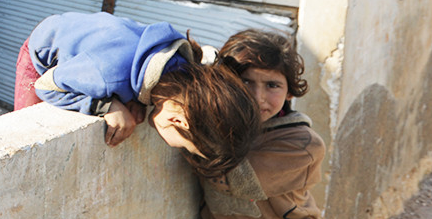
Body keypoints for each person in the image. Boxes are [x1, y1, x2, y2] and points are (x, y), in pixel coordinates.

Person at [14, 12, 259, 179]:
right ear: (180, 121)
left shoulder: (183, 67)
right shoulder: (109, 75)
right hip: (43, 49)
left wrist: (138, 98)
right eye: (187, 146)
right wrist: (105, 106)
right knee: (23, 135)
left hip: (95, 39)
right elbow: (46, 85)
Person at [194, 29, 326, 219]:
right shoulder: (218, 121)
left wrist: (190, 134)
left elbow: (237, 181)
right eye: (244, 82)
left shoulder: (303, 144)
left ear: (290, 92)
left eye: (272, 85)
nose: (256, 97)